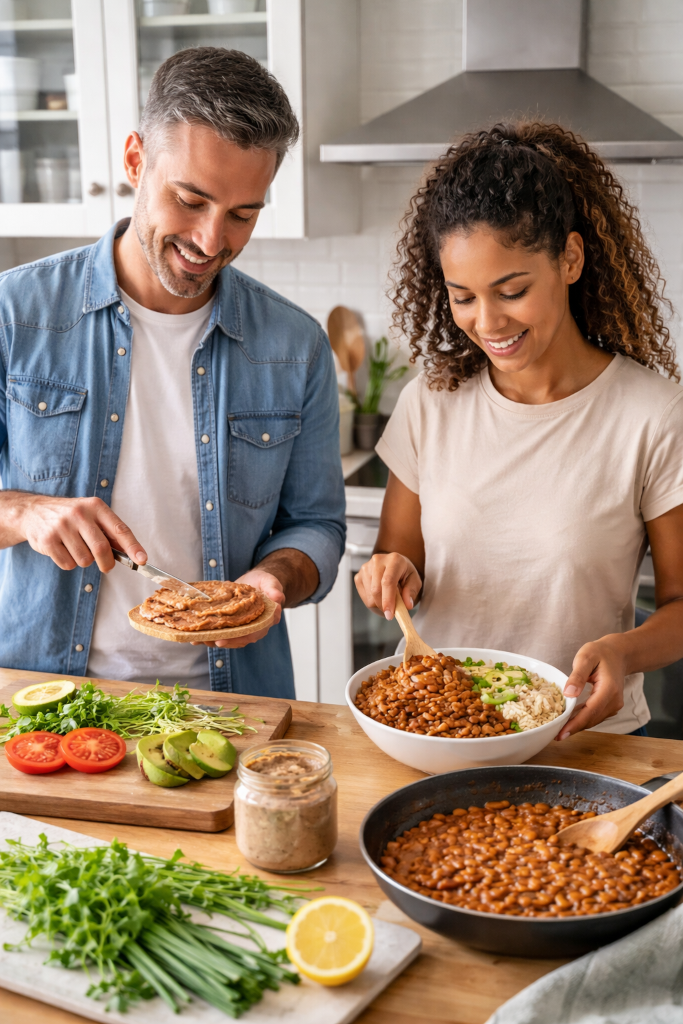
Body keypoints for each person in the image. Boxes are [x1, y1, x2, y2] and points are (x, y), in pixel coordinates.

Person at [0, 48, 345, 697]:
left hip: (231, 704)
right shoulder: (14, 315)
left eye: (243, 214)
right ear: (135, 161)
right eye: (190, 200)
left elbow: (317, 525)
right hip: (45, 706)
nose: (213, 240)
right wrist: (25, 513)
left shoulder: (293, 345)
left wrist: (273, 581)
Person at [355, 121, 683, 738]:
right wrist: (388, 573)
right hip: (437, 730)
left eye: (511, 290)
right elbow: (399, 559)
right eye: (463, 297)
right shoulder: (431, 402)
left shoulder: (655, 417)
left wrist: (624, 652)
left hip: (583, 740)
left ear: (571, 260)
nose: (488, 321)